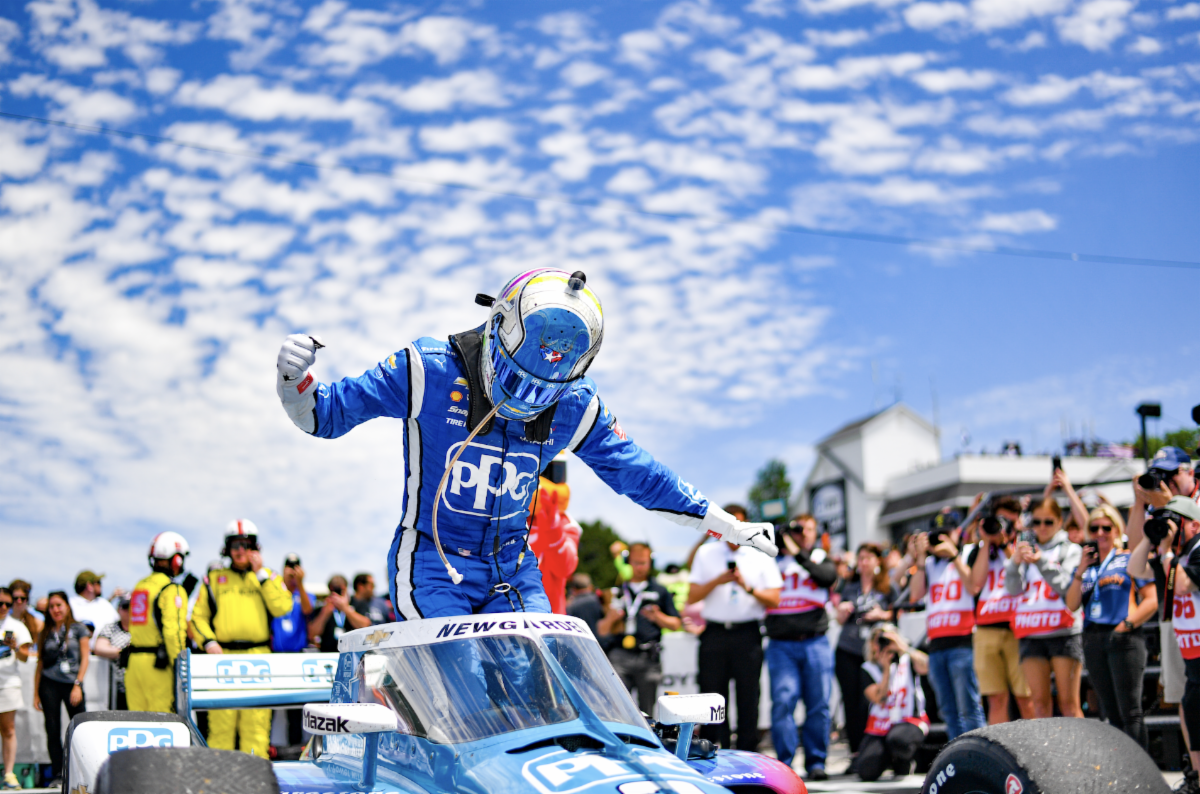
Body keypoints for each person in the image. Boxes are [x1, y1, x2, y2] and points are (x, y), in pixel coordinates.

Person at [274, 269, 777, 620]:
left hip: (513, 568)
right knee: (463, 681)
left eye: (544, 391)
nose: (527, 399)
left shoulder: (577, 405)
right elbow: (327, 414)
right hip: (432, 561)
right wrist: (294, 383)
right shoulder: (427, 368)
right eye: (518, 380)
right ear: (498, 327)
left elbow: (638, 473)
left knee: (537, 685)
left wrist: (723, 523)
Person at [190, 520, 293, 757]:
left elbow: (282, 607)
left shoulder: (268, 576)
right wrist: (209, 642)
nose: (240, 550)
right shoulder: (214, 578)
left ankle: (256, 784)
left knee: (256, 726)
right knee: (221, 726)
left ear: (255, 548)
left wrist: (260, 574)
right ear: (227, 549)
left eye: (245, 545)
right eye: (235, 545)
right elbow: (198, 617)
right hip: (222, 657)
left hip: (258, 657)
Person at [687, 504, 783, 753]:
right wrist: (718, 580)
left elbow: (774, 599)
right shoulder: (706, 553)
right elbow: (692, 595)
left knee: (748, 696)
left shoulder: (760, 553)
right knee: (711, 697)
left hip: (747, 633)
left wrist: (746, 586)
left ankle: (747, 753)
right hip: (715, 633)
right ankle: (712, 753)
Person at [1065, 504, 1155, 748]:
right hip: (1093, 638)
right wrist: (1080, 571)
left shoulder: (1128, 558)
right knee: (1110, 712)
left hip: (1123, 637)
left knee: (1130, 711)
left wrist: (1127, 625)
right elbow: (1071, 604)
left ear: (1117, 530)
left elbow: (1153, 599)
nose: (1100, 533)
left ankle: (1142, 774)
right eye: (1094, 528)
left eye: (1107, 527)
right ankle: (1123, 772)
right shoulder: (1085, 566)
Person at [764, 515, 837, 779]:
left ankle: (816, 762)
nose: (802, 534)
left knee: (818, 704)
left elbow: (827, 578)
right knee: (783, 702)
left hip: (815, 641)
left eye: (808, 530)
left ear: (815, 532)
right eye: (797, 530)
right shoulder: (771, 559)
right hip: (781, 645)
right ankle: (785, 764)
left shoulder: (819, 556)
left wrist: (798, 554)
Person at [1005, 497, 1083, 719]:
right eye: (1036, 522)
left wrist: (1040, 561)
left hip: (1063, 632)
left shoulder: (1071, 550)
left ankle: (1080, 754)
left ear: (1059, 522)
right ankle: (1046, 755)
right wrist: (1015, 563)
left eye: (1048, 522)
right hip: (1031, 633)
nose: (1042, 528)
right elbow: (1013, 590)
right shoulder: (1024, 548)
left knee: (1069, 704)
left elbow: (1066, 587)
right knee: (1039, 705)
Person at [909, 513, 985, 739]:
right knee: (948, 711)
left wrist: (954, 556)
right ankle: (957, 758)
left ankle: (978, 757)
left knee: (969, 707)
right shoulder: (930, 564)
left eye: (947, 533)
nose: (941, 539)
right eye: (937, 535)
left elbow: (973, 587)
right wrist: (920, 559)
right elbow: (915, 595)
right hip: (936, 645)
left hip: (962, 642)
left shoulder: (969, 554)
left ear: (958, 533)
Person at [967, 495, 1033, 724]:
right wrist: (986, 542)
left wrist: (1005, 543)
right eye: (1001, 520)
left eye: (1010, 522)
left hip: (1019, 629)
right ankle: (1000, 754)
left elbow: (1025, 576)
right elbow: (975, 584)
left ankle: (1039, 752)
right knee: (996, 699)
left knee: (1026, 696)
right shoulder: (978, 551)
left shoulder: (1023, 545)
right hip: (986, 630)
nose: (1005, 526)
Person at [597, 542, 681, 713]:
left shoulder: (660, 590)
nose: (640, 567)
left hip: (648, 656)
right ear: (629, 562)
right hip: (619, 655)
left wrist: (658, 617)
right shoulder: (616, 590)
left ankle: (645, 740)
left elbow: (676, 624)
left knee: (647, 711)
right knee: (617, 708)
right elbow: (601, 630)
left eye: (643, 562)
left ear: (651, 563)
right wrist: (611, 618)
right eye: (636, 562)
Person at [834, 542, 897, 762]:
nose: (864, 562)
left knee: (875, 699)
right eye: (860, 558)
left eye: (868, 558)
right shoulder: (850, 587)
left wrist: (883, 614)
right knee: (851, 703)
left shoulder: (887, 586)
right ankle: (856, 753)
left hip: (875, 653)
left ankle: (882, 751)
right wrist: (841, 611)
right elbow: (839, 618)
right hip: (848, 649)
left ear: (878, 561)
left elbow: (897, 613)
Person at [126, 532, 191, 713]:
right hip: (158, 668)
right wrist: (181, 668)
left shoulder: (140, 586)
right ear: (176, 560)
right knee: (162, 725)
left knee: (137, 725)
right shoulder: (172, 589)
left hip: (135, 664)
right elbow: (173, 633)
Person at [858, 623, 929, 782]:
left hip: (910, 720)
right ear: (872, 644)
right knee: (866, 771)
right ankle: (890, 760)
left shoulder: (908, 659)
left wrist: (904, 648)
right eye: (880, 640)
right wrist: (886, 670)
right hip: (881, 726)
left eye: (889, 639)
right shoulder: (868, 668)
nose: (885, 644)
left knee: (898, 740)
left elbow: (928, 667)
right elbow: (879, 698)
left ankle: (904, 759)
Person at [33, 591, 89, 787]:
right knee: (52, 728)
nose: (56, 609)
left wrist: (78, 684)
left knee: (80, 728)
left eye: (59, 605)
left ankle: (81, 772)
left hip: (72, 683)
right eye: (52, 606)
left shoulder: (79, 628)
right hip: (49, 683)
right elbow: (40, 663)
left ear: (67, 606)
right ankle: (58, 773)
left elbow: (85, 658)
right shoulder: (46, 631)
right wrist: (35, 692)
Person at [527, 472, 582, 614]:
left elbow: (564, 568)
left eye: (552, 473)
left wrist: (553, 531)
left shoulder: (566, 523)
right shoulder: (505, 514)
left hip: (548, 617)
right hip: (503, 613)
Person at [0, 588, 33, 790]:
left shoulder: (17, 626)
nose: (3, 607)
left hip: (8, 683)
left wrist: (14, 647)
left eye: (7, 603)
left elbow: (25, 656)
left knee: (8, 729)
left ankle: (9, 773)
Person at [310, 576, 372, 652]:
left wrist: (346, 609)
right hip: (328, 655)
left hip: (352, 654)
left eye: (340, 591)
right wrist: (324, 614)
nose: (337, 595)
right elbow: (312, 634)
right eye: (334, 591)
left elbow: (366, 625)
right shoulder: (324, 607)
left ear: (346, 589)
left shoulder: (357, 603)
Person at [92, 597, 132, 709]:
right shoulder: (110, 628)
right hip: (116, 686)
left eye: (132, 607)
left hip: (139, 684)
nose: (129, 610)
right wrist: (124, 652)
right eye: (125, 607)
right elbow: (99, 648)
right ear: (118, 609)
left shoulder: (143, 629)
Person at [272, 555, 313, 653]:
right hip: (277, 652)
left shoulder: (306, 594)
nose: (292, 571)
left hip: (299, 652)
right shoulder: (275, 592)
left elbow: (307, 610)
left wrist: (300, 583)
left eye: (296, 567)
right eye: (289, 566)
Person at [69, 571, 119, 636]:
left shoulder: (104, 603)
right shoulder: (70, 605)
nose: (101, 585)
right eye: (98, 583)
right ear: (89, 586)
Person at [565, 573, 604, 641]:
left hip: (583, 646)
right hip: (603, 644)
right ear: (590, 587)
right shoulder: (600, 601)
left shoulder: (570, 607)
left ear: (573, 589)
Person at [7, 580, 41, 646]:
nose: (19, 601)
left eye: (22, 598)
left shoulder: (38, 622)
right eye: (15, 598)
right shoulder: (3, 620)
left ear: (27, 599)